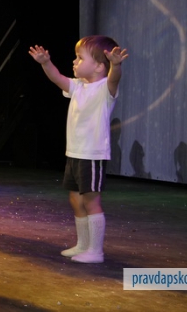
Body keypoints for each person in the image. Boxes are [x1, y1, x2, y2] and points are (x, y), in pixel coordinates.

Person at [29, 36, 128, 263]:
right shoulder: (78, 86)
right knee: (75, 199)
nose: (74, 62)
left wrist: (116, 65)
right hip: (74, 153)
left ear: (99, 66)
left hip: (92, 155)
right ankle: (83, 244)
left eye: (80, 58)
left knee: (91, 200)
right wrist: (46, 63)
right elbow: (57, 78)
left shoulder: (105, 88)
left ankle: (96, 251)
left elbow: (114, 78)